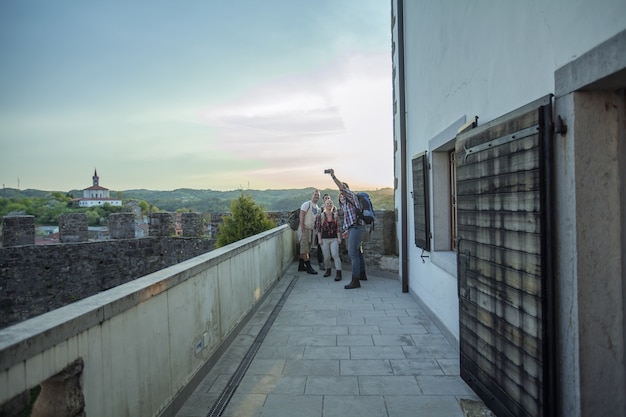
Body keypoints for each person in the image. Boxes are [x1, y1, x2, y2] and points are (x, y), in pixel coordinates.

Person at [327, 169, 367, 289]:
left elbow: (341, 187)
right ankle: (362, 274)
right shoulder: (345, 203)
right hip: (354, 227)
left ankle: (355, 281)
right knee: (357, 252)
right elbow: (350, 218)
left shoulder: (350, 195)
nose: (341, 192)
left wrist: (333, 176)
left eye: (342, 189)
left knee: (352, 253)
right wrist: (347, 230)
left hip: (357, 227)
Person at [315, 196, 343, 280]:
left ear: (333, 205)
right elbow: (318, 228)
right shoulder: (320, 216)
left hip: (334, 238)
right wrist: (319, 239)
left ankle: (339, 272)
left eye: (330, 203)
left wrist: (339, 238)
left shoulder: (335, 216)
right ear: (324, 205)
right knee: (326, 256)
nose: (329, 205)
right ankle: (328, 270)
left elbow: (337, 228)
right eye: (327, 203)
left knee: (335, 255)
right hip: (324, 239)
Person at [298, 189, 321, 274]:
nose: (316, 196)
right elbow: (302, 215)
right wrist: (302, 228)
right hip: (305, 229)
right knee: (305, 249)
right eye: (315, 194)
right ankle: (308, 267)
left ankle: (301, 266)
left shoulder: (317, 208)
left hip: (311, 230)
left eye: (318, 195)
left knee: (306, 248)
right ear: (312, 195)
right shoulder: (307, 204)